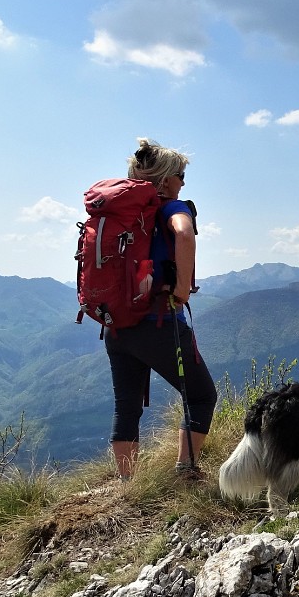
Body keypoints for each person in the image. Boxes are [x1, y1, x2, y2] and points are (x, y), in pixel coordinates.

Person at [106, 137, 218, 481]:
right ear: (166, 179)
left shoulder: (120, 215)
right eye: (181, 174)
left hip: (116, 323)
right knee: (201, 396)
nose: (184, 181)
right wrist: (182, 288)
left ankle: (128, 485)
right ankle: (186, 472)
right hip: (158, 321)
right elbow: (184, 235)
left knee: (126, 407)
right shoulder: (172, 206)